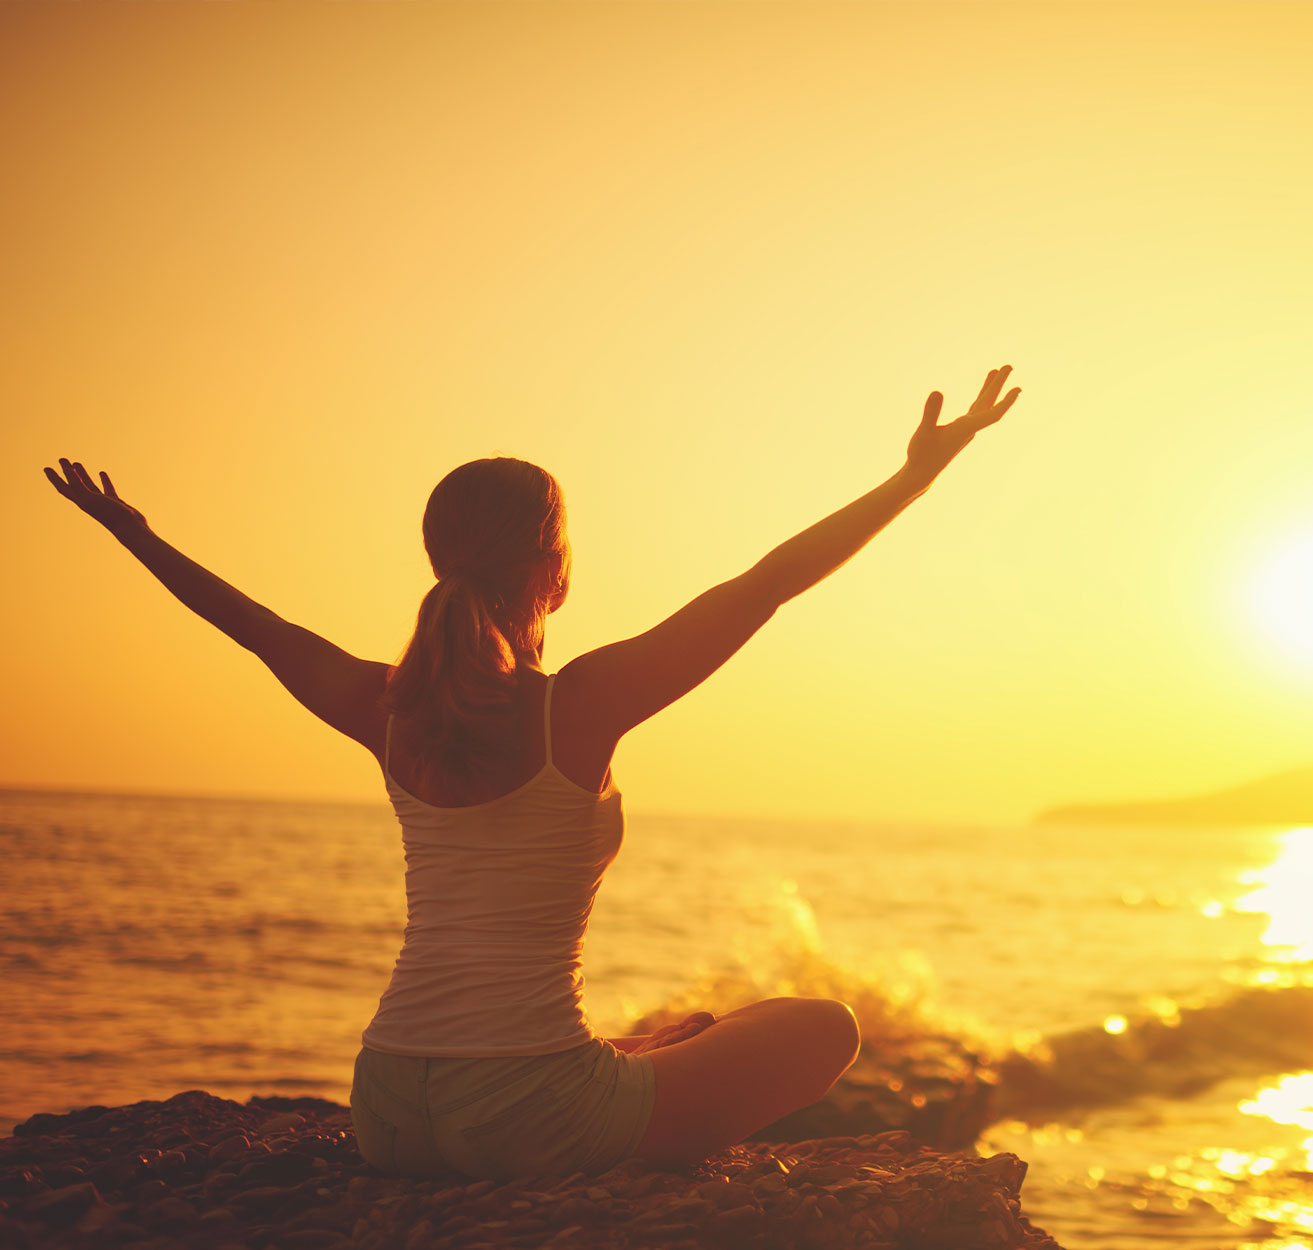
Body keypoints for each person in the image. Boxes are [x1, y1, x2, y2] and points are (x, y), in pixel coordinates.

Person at [42, 364, 1023, 1178]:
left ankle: (623, 1056)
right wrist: (912, 481)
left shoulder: (390, 705)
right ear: (557, 569)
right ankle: (611, 1073)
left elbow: (257, 629)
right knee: (823, 1025)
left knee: (681, 1028)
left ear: (439, 560)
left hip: (386, 1102)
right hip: (527, 1115)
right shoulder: (579, 706)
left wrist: (136, 536)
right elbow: (767, 584)